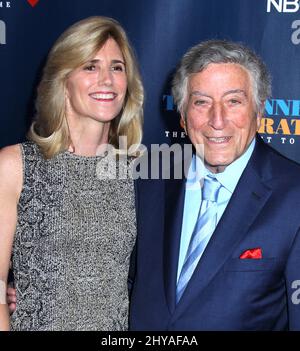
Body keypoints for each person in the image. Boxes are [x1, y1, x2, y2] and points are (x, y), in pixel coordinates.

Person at [129, 40, 300, 330]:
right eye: (201, 102)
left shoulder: (294, 196)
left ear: (259, 111)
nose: (217, 120)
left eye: (233, 101)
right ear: (182, 116)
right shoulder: (149, 179)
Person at [0, 16, 143, 331]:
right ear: (63, 80)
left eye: (117, 68)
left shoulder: (141, 169)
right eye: (90, 67)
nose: (106, 80)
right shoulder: (14, 166)